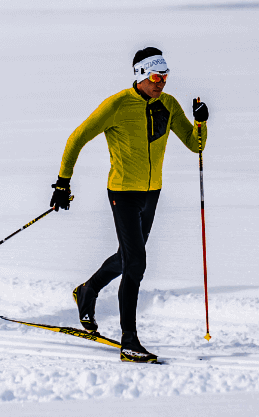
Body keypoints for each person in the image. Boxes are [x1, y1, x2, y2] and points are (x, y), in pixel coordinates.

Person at [50, 47, 209, 363]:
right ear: (140, 76)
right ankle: (129, 341)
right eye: (154, 77)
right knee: (136, 262)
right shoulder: (117, 105)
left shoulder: (169, 104)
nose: (160, 83)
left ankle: (87, 291)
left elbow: (195, 146)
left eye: (164, 76)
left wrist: (201, 123)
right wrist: (63, 181)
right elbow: (76, 138)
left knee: (127, 256)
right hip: (122, 193)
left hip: (152, 194)